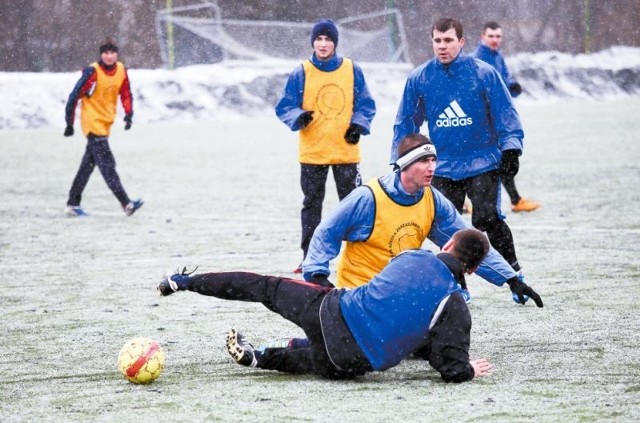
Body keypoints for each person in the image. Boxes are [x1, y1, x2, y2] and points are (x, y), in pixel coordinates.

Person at [157, 228, 502, 382]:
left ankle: (182, 282)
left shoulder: (415, 256)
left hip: (330, 313)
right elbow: (450, 367)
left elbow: (391, 294)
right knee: (312, 359)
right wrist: (467, 368)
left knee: (264, 287)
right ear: (472, 269)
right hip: (351, 361)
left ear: (449, 243)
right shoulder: (455, 305)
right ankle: (260, 357)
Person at [302, 134, 543, 305]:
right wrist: (316, 274)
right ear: (404, 166)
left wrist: (511, 279)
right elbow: (327, 231)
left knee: (450, 322)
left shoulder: (432, 199)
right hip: (361, 296)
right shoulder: (368, 197)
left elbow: (466, 242)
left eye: (432, 161)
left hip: (399, 294)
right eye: (423, 161)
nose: (431, 168)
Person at [391, 17, 527, 293]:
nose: (442, 46)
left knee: (486, 218)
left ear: (461, 42)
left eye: (449, 40)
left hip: (483, 162)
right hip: (442, 167)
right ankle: (458, 284)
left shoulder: (483, 72)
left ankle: (515, 274)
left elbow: (505, 113)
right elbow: (406, 123)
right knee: (447, 229)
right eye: (437, 41)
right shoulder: (420, 78)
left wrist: (511, 147)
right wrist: (401, 157)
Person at [275, 19, 376, 273]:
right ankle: (309, 257)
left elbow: (366, 104)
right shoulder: (302, 71)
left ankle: (358, 257)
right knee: (312, 206)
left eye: (327, 39)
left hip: (345, 152)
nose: (323, 44)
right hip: (313, 153)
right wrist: (298, 117)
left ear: (335, 43)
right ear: (313, 43)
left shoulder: (352, 69)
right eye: (318, 39)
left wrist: (358, 126)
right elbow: (285, 106)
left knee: (353, 205)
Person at [63, 38, 143, 217]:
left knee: (87, 166)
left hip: (105, 124)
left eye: (112, 52)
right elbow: (74, 96)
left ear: (116, 54)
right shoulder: (92, 72)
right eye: (105, 52)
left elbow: (125, 93)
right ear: (101, 54)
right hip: (92, 124)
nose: (109, 56)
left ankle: (72, 204)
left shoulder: (121, 70)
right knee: (108, 166)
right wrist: (69, 122)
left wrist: (129, 114)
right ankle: (126, 203)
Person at [472, 21, 540, 213]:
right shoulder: (478, 58)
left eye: (498, 36)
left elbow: (502, 82)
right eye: (491, 36)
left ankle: (513, 200)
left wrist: (512, 87)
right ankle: (512, 201)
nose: (495, 40)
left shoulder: (497, 56)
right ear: (482, 37)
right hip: (486, 120)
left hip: (498, 117)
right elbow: (481, 89)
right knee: (495, 161)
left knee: (501, 160)